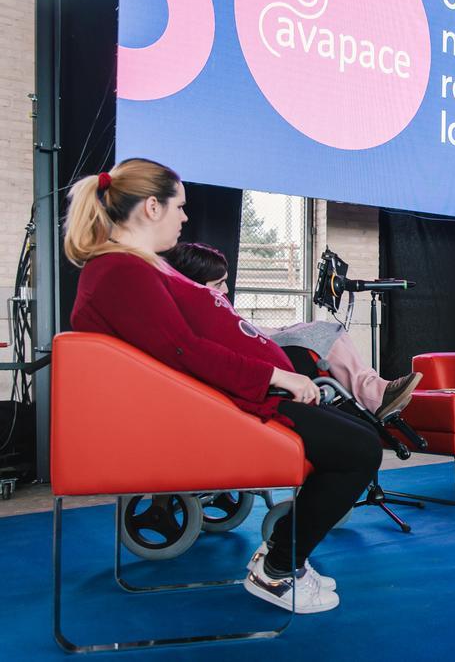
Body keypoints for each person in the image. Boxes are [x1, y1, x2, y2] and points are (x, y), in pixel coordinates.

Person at [65, 158, 378, 614]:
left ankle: (284, 557)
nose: (185, 217)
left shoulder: (134, 267)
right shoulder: (121, 272)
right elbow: (183, 351)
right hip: (223, 409)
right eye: (180, 206)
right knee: (359, 451)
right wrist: (276, 375)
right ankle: (278, 569)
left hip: (233, 400)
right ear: (152, 207)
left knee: (359, 436)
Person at [161, 242, 422, 420]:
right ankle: (374, 393)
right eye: (219, 283)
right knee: (324, 331)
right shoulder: (198, 314)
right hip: (257, 356)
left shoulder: (201, 308)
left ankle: (374, 388)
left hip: (255, 340)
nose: (226, 290)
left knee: (319, 329)